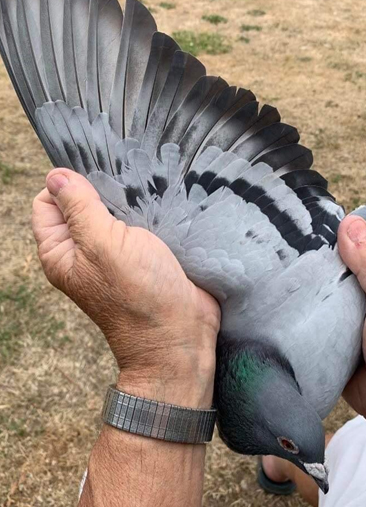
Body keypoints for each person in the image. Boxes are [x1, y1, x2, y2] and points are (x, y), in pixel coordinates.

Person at [32, 167, 366, 507]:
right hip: (341, 252)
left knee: (340, 471)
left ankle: (281, 461)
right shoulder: (314, 392)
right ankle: (284, 459)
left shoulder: (313, 395)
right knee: (341, 466)